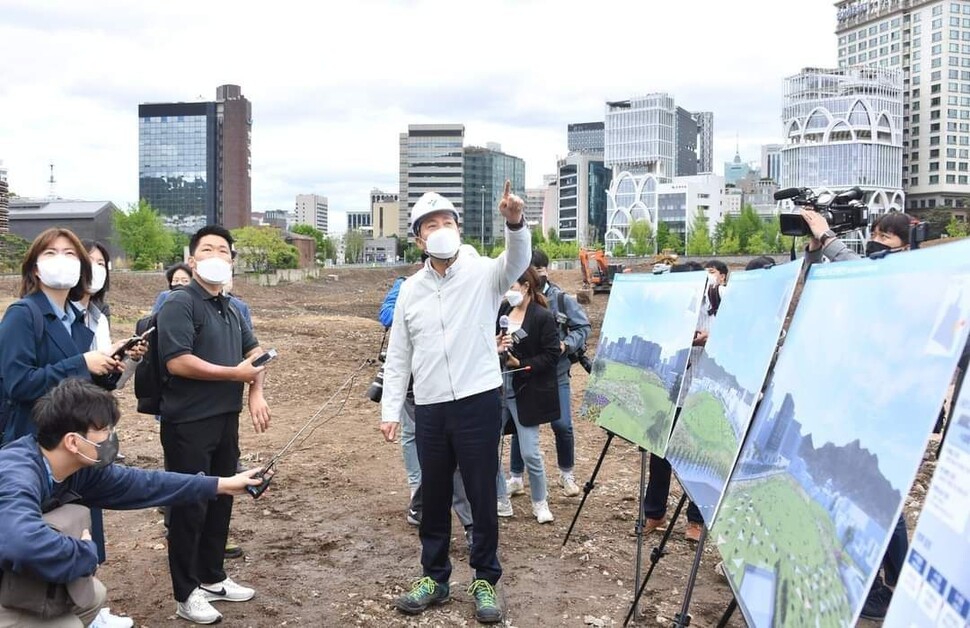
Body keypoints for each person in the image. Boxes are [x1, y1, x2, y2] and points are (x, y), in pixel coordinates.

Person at [379, 183, 530, 624]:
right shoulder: (410, 289)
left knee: (482, 491)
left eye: (447, 222)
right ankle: (435, 575)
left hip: (478, 399)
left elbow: (517, 259)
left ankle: (485, 577)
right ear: (419, 238)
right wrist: (390, 409)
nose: (440, 229)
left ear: (459, 229)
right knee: (435, 491)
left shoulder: (484, 272)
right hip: (429, 406)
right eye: (431, 225)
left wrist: (515, 222)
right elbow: (400, 354)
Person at [0, 378, 265, 627]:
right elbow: (21, 543)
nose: (110, 437)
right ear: (72, 441)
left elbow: (144, 484)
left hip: (15, 576)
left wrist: (223, 484)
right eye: (103, 430)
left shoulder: (73, 468)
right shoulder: (16, 473)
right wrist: (83, 552)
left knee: (92, 595)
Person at [800, 208, 913, 621]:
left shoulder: (906, 277)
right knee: (856, 491)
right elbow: (810, 284)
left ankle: (897, 583)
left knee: (884, 493)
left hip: (886, 404)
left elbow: (868, 276)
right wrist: (815, 247)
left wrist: (828, 236)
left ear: (904, 245)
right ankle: (880, 580)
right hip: (850, 400)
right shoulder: (864, 274)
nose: (877, 247)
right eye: (875, 237)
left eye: (886, 241)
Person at [156, 225, 272, 625]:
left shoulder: (233, 307)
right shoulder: (179, 303)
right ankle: (185, 592)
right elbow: (178, 360)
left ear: (231, 261)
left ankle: (211, 576)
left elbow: (254, 352)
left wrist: (255, 389)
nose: (215, 255)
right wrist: (235, 376)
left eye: (223, 250)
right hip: (188, 421)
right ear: (192, 260)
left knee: (223, 498)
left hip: (226, 419)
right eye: (206, 249)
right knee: (190, 505)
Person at [377, 271, 474, 549]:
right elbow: (386, 317)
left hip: (457, 387)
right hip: (416, 389)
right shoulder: (406, 286)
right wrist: (416, 318)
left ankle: (429, 509)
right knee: (432, 453)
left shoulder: (467, 282)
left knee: (447, 459)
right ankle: (457, 522)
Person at [0, 228, 123, 446]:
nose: (61, 260)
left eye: (69, 254)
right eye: (50, 253)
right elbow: (19, 384)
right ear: (35, 269)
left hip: (71, 441)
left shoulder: (75, 319)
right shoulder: (22, 314)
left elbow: (74, 384)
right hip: (31, 442)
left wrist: (105, 368)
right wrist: (83, 362)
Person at [642, 261, 724, 542]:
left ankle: (696, 520)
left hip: (703, 392)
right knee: (660, 456)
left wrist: (708, 339)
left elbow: (737, 338)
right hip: (670, 391)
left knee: (698, 457)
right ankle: (654, 513)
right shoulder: (668, 307)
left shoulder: (718, 301)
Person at [507, 250, 591, 498]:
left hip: (555, 373)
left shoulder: (561, 299)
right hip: (522, 373)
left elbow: (583, 326)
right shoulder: (513, 301)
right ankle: (515, 477)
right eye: (534, 269)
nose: (538, 273)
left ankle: (567, 474)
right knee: (519, 425)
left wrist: (567, 344)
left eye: (541, 268)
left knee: (562, 425)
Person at [494, 266, 561, 523]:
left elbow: (551, 355)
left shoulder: (542, 317)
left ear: (525, 286)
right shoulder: (503, 311)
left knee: (531, 452)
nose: (509, 292)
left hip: (526, 391)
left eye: (512, 286)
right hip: (499, 389)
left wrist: (518, 363)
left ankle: (540, 502)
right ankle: (501, 498)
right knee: (490, 447)